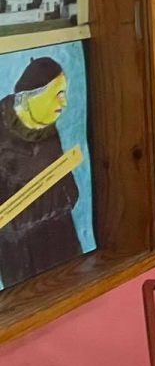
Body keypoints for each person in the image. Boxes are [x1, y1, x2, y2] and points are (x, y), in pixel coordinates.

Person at [0, 57, 83, 289]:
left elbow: (69, 190)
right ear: (31, 96)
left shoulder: (45, 124)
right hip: (20, 254)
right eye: (58, 94)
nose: (64, 103)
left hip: (61, 239)